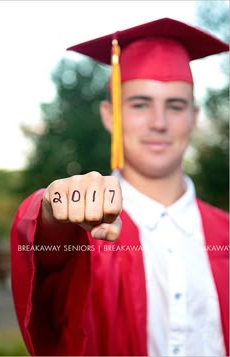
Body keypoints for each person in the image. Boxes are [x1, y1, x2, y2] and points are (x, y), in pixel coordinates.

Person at [11, 18, 229, 357]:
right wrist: (51, 216)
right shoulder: (83, 231)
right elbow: (46, 294)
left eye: (175, 105)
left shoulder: (226, 236)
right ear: (109, 114)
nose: (159, 122)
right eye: (140, 104)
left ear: (195, 116)